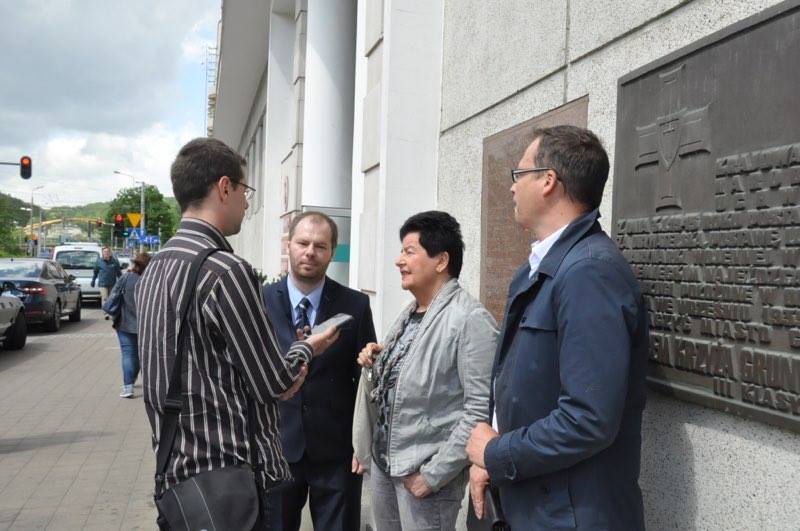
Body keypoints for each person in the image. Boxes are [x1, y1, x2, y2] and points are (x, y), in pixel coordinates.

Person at [135, 137, 340, 526]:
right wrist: (307, 348)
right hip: (227, 480)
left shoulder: (156, 266)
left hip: (177, 475)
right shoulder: (225, 271)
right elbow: (275, 382)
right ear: (224, 187)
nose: (247, 203)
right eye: (245, 190)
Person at [465, 125, 649, 530]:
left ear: (548, 181)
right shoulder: (542, 269)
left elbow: (588, 419)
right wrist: (489, 460)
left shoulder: (590, 273)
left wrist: (496, 453)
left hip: (569, 515)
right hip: (533, 503)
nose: (511, 187)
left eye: (519, 174)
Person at [352, 210, 498, 531]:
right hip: (386, 468)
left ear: (441, 260)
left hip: (425, 479)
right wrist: (377, 362)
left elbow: (479, 412)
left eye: (409, 251)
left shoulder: (470, 320)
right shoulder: (411, 314)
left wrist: (432, 476)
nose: (398, 261)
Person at [262, 211, 376, 530]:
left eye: (320, 245)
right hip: (276, 448)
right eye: (303, 243)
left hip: (337, 453)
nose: (310, 252)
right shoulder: (260, 301)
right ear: (288, 245)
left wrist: (364, 443)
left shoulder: (355, 306)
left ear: (332, 252)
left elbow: (366, 381)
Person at [110, 251, 151, 398]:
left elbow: (114, 294)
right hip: (147, 325)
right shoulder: (152, 280)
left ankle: (128, 387)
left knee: (128, 354)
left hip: (125, 323)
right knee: (141, 355)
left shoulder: (126, 277)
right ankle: (140, 382)